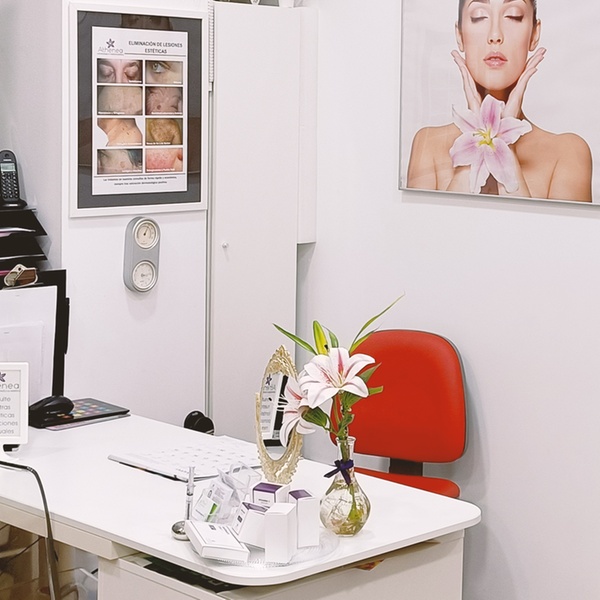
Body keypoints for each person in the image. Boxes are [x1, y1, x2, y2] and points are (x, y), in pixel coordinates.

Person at [407, 0, 592, 202]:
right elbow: (436, 223)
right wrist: (476, 137)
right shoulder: (428, 145)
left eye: (513, 15)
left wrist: (505, 141)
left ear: (534, 34)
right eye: (479, 16)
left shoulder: (567, 153)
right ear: (459, 36)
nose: (495, 35)